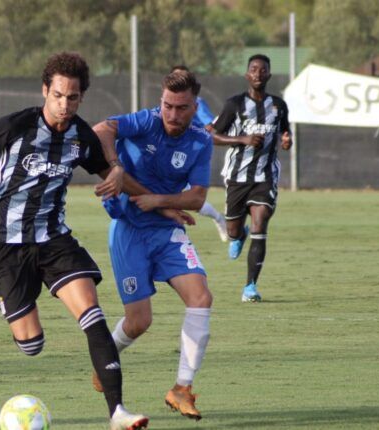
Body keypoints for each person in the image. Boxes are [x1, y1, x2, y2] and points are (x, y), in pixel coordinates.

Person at [0, 52, 148, 430]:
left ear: (81, 97)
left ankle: (117, 412)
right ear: (45, 91)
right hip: (5, 243)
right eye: (57, 96)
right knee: (31, 344)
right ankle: (27, 301)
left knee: (93, 313)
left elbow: (112, 172)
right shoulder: (16, 125)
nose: (64, 105)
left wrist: (125, 177)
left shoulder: (81, 136)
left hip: (53, 239)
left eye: (72, 98)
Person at [91, 69, 214, 421]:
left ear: (195, 107)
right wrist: (115, 167)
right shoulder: (145, 121)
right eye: (167, 105)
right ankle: (106, 359)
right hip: (128, 230)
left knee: (201, 297)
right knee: (139, 321)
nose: (172, 115)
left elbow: (197, 196)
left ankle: (182, 389)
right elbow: (101, 130)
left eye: (181, 108)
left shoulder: (200, 141)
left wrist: (159, 201)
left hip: (166, 230)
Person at [210, 54, 292, 302]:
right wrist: (242, 139)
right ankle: (237, 235)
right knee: (233, 230)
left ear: (268, 75)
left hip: (265, 176)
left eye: (262, 69)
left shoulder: (278, 106)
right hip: (237, 177)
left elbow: (285, 132)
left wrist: (287, 141)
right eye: (253, 69)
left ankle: (250, 287)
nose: (258, 73)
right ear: (247, 75)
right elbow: (212, 136)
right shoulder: (234, 105)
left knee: (261, 223)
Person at [170, 65, 227, 242]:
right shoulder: (167, 101)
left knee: (190, 198)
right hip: (169, 153)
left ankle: (218, 218)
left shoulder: (198, 103)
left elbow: (209, 126)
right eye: (175, 76)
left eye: (183, 77)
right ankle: (218, 218)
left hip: (188, 155)